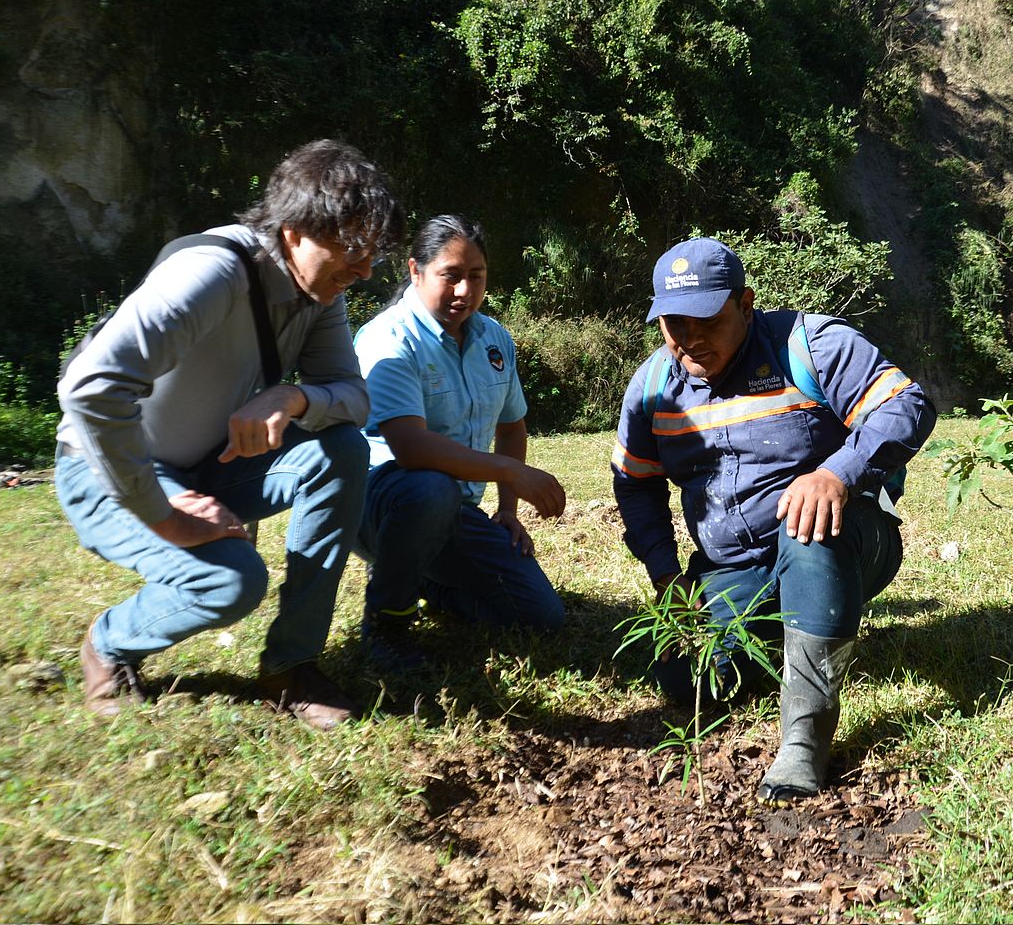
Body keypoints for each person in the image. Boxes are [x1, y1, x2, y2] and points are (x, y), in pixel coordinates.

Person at [56, 138, 405, 729]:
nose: (365, 271)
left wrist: (291, 395)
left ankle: (291, 665)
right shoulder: (212, 273)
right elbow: (91, 389)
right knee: (229, 582)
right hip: (105, 469)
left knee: (339, 450)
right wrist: (165, 514)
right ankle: (109, 645)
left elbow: (352, 398)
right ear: (294, 231)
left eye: (372, 254)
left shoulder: (319, 293)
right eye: (352, 250)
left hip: (209, 465)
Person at [612, 237, 936, 801]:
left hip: (845, 539)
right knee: (688, 678)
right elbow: (635, 484)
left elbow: (907, 405)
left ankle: (805, 739)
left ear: (744, 304)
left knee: (805, 523)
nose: (689, 339)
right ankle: (789, 640)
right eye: (672, 324)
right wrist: (666, 576)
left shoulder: (810, 345)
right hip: (735, 567)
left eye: (705, 319)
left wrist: (835, 474)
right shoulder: (653, 388)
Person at [353, 214, 565, 670]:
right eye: (450, 276)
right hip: (380, 506)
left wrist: (507, 511)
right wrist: (509, 471)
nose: (465, 291)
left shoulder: (494, 339)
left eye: (476, 277)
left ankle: (425, 581)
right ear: (415, 271)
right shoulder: (389, 339)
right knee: (431, 488)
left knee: (541, 616)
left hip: (455, 515)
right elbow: (410, 447)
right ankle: (386, 626)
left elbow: (511, 427)